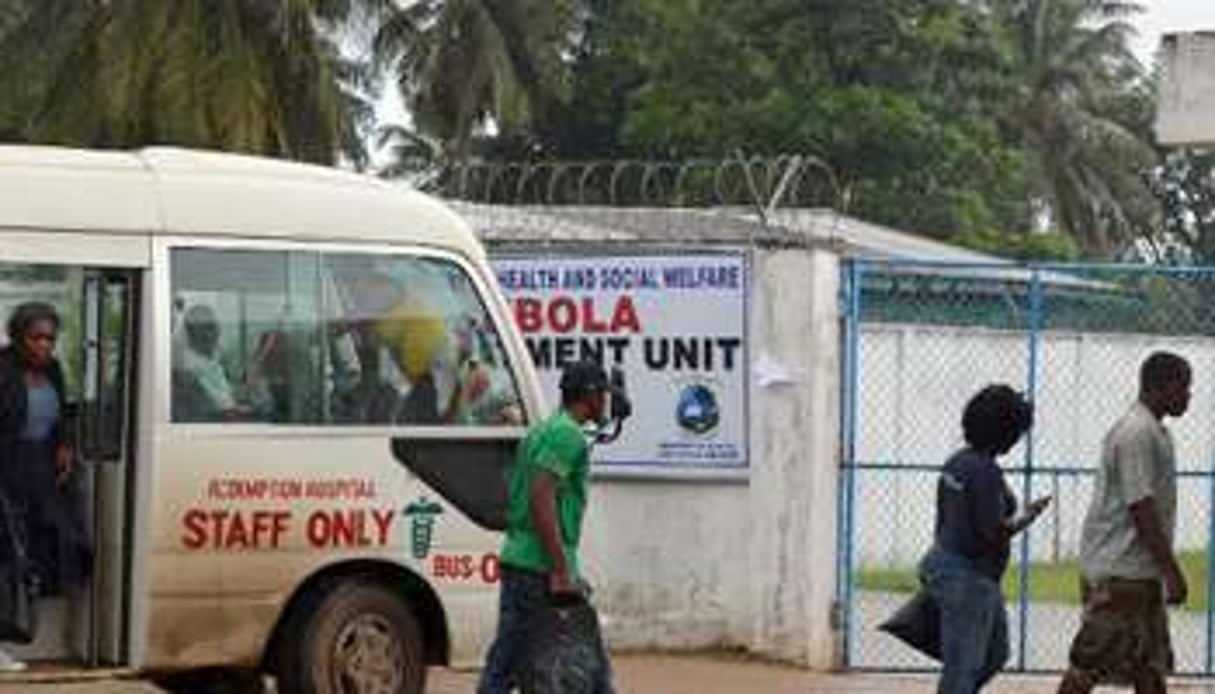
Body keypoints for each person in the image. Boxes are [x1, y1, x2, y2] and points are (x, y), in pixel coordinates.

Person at [478, 360, 616, 694]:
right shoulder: (568, 436)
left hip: (527, 559)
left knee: (524, 658)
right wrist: (559, 569)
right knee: (516, 660)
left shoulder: (543, 429)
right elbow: (542, 498)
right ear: (591, 396)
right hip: (539, 566)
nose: (608, 403)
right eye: (604, 395)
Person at [1058, 352, 1192, 694]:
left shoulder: (1154, 431)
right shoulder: (1136, 433)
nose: (1189, 395)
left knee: (1149, 666)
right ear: (1160, 386)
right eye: (1184, 387)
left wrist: (1159, 572)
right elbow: (1140, 507)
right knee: (1088, 665)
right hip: (1119, 575)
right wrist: (1173, 572)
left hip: (1139, 574)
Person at [919, 384, 1050, 694]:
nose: (1018, 439)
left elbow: (948, 516)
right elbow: (991, 534)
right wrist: (1027, 517)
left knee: (993, 653)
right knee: (964, 665)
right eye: (1017, 431)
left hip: (947, 564)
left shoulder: (957, 462)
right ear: (1004, 431)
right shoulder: (985, 472)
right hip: (968, 578)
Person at [0, 302, 76, 671]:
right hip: (7, 470)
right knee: (6, 557)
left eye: (50, 338)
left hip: (42, 471)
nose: (45, 345)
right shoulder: (2, 369)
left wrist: (64, 444)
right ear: (18, 337)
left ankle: (39, 634)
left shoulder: (55, 371)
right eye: (37, 337)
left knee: (56, 544)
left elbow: (62, 414)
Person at [174, 305, 239, 421]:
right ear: (193, 332)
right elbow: (212, 408)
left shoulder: (212, 361)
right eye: (209, 327)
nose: (216, 333)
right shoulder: (187, 369)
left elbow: (226, 396)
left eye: (215, 326)